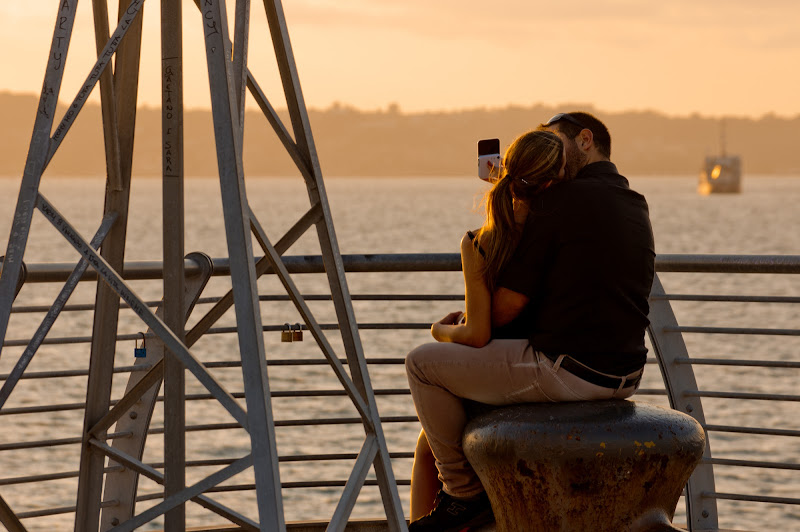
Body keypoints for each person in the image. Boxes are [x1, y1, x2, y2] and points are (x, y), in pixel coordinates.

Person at [405, 113, 655, 532]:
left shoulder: (559, 204)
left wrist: (456, 318)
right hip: (625, 372)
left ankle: (462, 497)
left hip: (570, 370)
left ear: (585, 141)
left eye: (553, 143)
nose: (551, 154)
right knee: (431, 441)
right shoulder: (631, 200)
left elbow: (501, 314)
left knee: (422, 366)